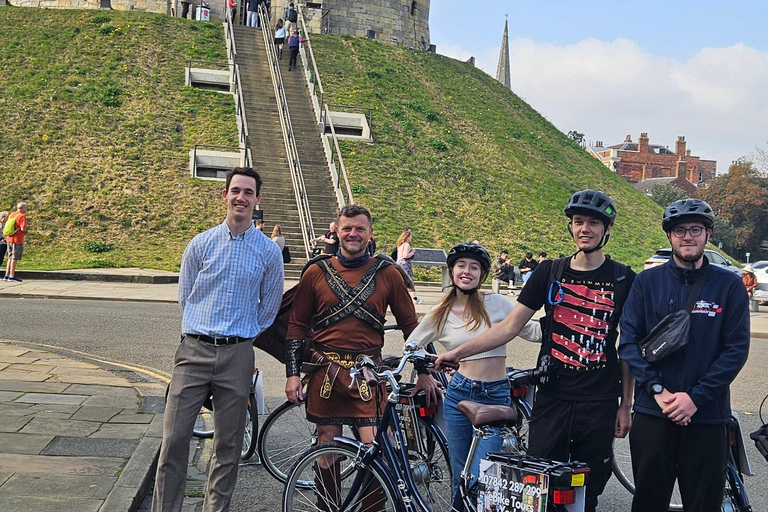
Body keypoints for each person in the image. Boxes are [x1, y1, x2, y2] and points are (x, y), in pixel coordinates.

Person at [437, 190, 636, 512]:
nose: (585, 229)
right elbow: (509, 326)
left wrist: (626, 405)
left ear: (607, 229)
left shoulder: (624, 278)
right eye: (578, 222)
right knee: (539, 485)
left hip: (598, 400)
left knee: (591, 484)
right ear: (571, 227)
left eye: (594, 223)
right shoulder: (550, 273)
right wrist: (459, 352)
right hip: (553, 397)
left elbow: (629, 347)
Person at [152, 167, 283, 512]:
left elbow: (268, 309)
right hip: (193, 350)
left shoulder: (268, 252)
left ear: (257, 200)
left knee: (228, 445)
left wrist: (241, 336)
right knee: (175, 439)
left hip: (237, 355)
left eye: (248, 192)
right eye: (235, 190)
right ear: (224, 195)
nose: (241, 197)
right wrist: (204, 328)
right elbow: (186, 297)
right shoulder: (201, 243)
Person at [618, 198, 750, 512]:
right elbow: (629, 344)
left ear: (708, 234)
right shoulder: (646, 283)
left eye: (695, 229)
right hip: (654, 414)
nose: (687, 237)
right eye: (680, 231)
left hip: (706, 416)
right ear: (669, 236)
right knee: (649, 501)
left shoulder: (728, 286)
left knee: (703, 504)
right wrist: (657, 390)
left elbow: (736, 350)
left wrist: (696, 398)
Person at [283, 205, 419, 508]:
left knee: (377, 449)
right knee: (327, 446)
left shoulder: (389, 274)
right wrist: (292, 373)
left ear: (370, 233)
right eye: (347, 228)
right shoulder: (316, 271)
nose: (353, 234)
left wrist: (424, 370)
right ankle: (329, 508)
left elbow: (411, 326)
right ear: (337, 232)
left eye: (360, 228)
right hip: (325, 373)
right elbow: (297, 324)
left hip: (369, 374)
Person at [409, 242, 541, 503]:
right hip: (459, 392)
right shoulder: (440, 313)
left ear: (482, 275)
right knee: (461, 471)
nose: (467, 271)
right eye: (461, 266)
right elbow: (412, 345)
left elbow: (533, 331)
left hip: (494, 393)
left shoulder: (497, 304)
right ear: (451, 271)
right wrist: (425, 369)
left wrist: (564, 322)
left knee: (486, 472)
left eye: (474, 267)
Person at [396, 227, 423, 304]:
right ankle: (414, 298)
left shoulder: (400, 245)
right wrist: (412, 252)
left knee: (402, 281)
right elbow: (405, 255)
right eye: (411, 237)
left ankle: (400, 297)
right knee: (409, 281)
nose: (411, 238)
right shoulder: (407, 245)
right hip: (405, 264)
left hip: (399, 263)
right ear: (407, 237)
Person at [3, 202, 28, 283]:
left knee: (10, 257)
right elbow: (22, 228)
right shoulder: (22, 216)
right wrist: (26, 231)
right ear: (23, 208)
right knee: (14, 258)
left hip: (9, 238)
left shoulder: (12, 214)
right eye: (26, 208)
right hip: (17, 239)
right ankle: (12, 276)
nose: (26, 209)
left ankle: (6, 275)